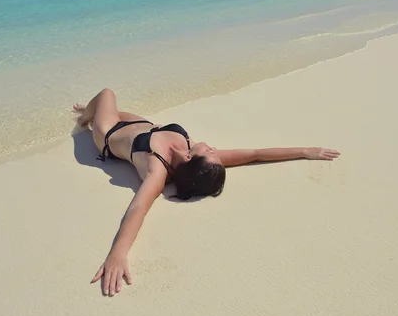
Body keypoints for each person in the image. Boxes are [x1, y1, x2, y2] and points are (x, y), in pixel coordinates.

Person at [74, 88, 341, 296]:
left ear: (190, 159)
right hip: (142, 125)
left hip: (107, 135)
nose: (214, 149)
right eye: (214, 153)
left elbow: (139, 208)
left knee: (107, 94)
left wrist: (118, 253)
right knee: (120, 110)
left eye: (210, 152)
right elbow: (254, 155)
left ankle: (85, 119)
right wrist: (305, 152)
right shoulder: (193, 157)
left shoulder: (157, 169)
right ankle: (93, 110)